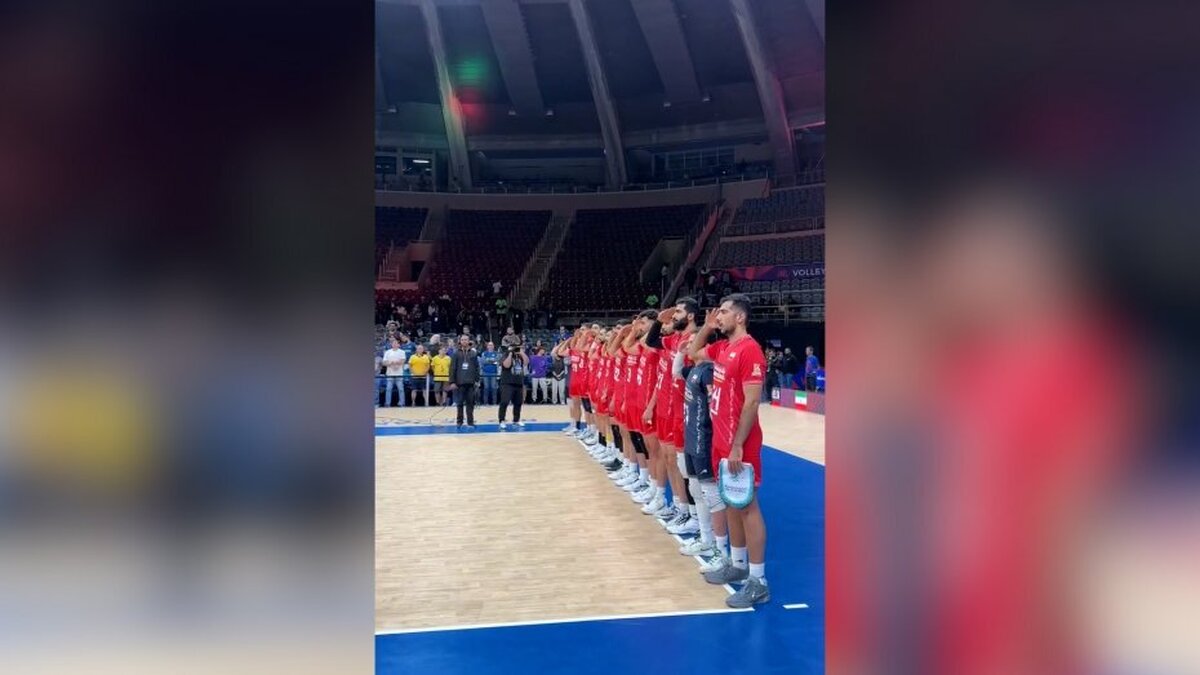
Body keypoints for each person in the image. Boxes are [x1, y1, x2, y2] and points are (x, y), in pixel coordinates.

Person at [687, 293, 770, 608]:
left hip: (740, 443)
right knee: (731, 503)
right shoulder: (723, 348)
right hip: (721, 441)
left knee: (747, 506)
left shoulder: (750, 350)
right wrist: (707, 328)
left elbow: (752, 401)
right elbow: (693, 352)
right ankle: (737, 564)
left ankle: (759, 581)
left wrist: (737, 445)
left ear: (740, 317)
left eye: (723, 312)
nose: (718, 315)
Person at [448, 335, 480, 428]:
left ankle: (470, 422)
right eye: (462, 340)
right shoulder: (456, 353)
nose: (464, 341)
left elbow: (477, 367)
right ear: (460, 341)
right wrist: (452, 382)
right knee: (460, 403)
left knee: (470, 403)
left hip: (470, 382)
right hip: (459, 382)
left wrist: (477, 380)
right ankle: (459, 421)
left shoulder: (473, 353)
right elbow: (452, 368)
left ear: (469, 341)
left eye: (466, 340)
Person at [497, 343, 529, 429]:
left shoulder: (520, 356)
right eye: (514, 348)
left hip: (518, 382)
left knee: (518, 402)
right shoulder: (505, 355)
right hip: (507, 383)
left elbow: (526, 362)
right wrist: (510, 354)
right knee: (505, 402)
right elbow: (506, 365)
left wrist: (521, 352)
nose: (515, 349)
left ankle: (516, 420)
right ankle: (501, 420)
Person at [381, 338, 407, 408]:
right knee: (388, 389)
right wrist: (391, 363)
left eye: (396, 343)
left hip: (399, 373)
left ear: (398, 344)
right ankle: (387, 403)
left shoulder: (402, 352)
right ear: (391, 344)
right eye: (393, 343)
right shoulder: (387, 352)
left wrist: (396, 363)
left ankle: (402, 403)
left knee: (401, 389)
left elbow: (403, 360)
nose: (395, 344)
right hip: (390, 373)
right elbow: (384, 362)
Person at [479, 341, 500, 406]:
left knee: (494, 388)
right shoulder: (484, 353)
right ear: (487, 346)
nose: (490, 346)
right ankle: (485, 403)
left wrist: (488, 360)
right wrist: (492, 361)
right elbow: (483, 362)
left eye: (491, 345)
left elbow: (497, 360)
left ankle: (494, 403)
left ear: (493, 346)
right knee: (486, 388)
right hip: (485, 373)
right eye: (489, 345)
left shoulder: (496, 353)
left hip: (494, 373)